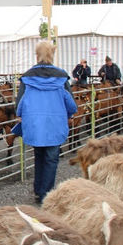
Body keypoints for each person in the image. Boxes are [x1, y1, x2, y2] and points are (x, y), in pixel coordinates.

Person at [15, 40, 78, 204]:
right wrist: (70, 113)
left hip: (35, 125)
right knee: (51, 158)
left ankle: (38, 190)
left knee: (39, 156)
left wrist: (21, 114)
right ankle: (46, 194)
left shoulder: (27, 77)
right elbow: (70, 102)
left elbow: (19, 103)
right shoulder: (61, 77)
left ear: (37, 55)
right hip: (55, 124)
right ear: (52, 54)